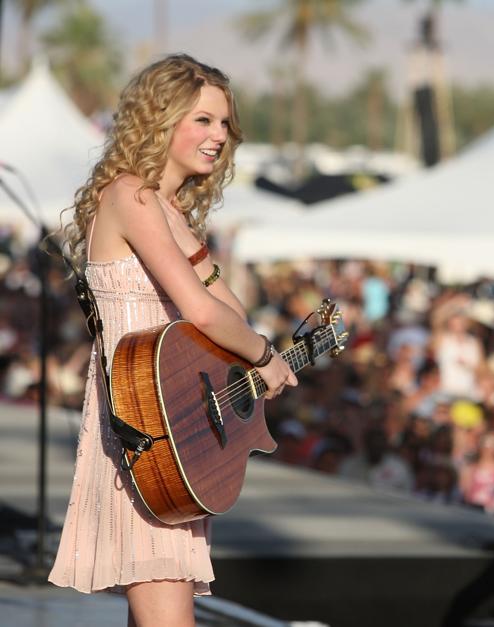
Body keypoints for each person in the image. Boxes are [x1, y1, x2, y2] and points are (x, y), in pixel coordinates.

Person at [47, 54, 297, 627]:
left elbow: (228, 308)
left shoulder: (172, 212)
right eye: (203, 120)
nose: (218, 137)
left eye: (225, 124)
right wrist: (262, 354)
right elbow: (203, 312)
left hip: (179, 427)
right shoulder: (129, 196)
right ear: (159, 119)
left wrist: (274, 355)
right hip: (144, 427)